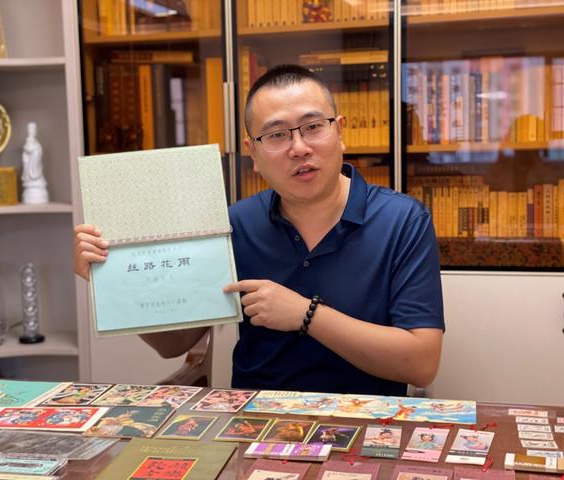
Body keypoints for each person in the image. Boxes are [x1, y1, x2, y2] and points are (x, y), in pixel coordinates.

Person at [73, 64, 444, 396]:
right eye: (277, 135)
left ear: (340, 131)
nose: (299, 148)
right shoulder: (235, 224)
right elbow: (174, 343)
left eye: (313, 127)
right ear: (252, 153)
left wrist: (306, 314)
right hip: (254, 424)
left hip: (366, 424)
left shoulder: (403, 220)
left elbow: (422, 364)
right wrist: (113, 278)